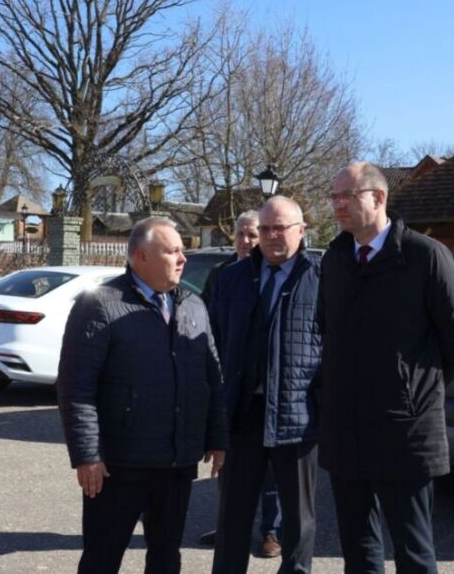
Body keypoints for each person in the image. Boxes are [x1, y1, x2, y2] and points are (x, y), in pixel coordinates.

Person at [318, 162, 454, 573]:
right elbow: (327, 331)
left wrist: (417, 390)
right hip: (346, 429)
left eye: (347, 196)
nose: (338, 205)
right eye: (334, 196)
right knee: (358, 549)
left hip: (404, 430)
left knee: (413, 550)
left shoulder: (425, 256)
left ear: (379, 197)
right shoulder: (335, 259)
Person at [57, 217, 228, 574]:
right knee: (102, 557)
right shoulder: (101, 304)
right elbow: (77, 386)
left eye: (182, 250)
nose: (183, 259)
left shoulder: (193, 305)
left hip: (177, 462)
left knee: (166, 557)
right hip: (120, 464)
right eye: (172, 251)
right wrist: (87, 454)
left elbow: (211, 376)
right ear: (141, 256)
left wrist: (217, 437)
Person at [210, 196, 321, 574]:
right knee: (232, 516)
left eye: (281, 228)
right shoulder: (231, 278)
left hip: (297, 418)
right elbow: (215, 344)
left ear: (301, 231)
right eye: (265, 229)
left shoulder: (322, 279)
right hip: (243, 415)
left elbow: (336, 349)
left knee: (298, 519)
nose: (272, 236)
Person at [200, 210, 284, 558]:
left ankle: (271, 531)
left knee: (271, 472)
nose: (247, 241)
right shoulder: (222, 275)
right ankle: (229, 524)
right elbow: (210, 327)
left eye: (253, 234)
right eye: (241, 235)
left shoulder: (278, 273)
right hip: (233, 390)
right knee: (229, 466)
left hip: (270, 393)